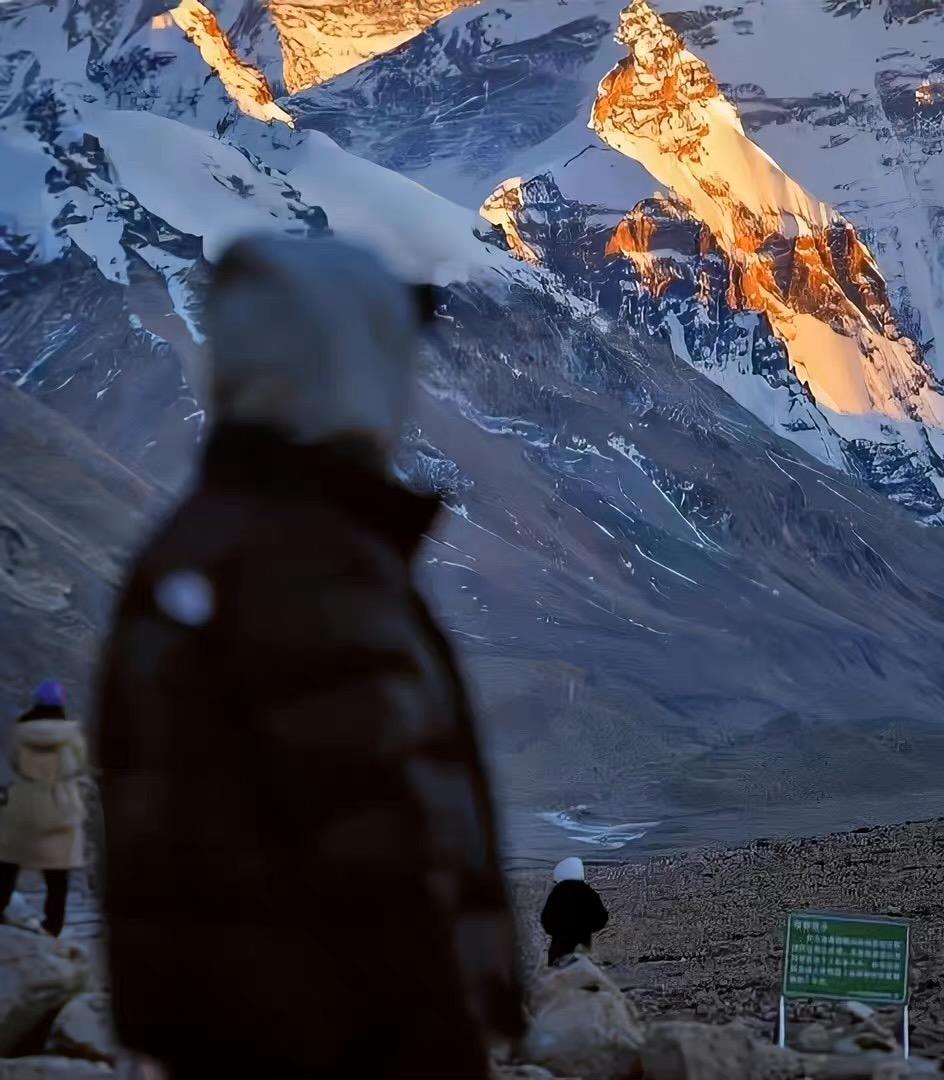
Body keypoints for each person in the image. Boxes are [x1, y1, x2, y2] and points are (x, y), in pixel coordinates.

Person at [95, 235, 522, 1080]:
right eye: (388, 348)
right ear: (342, 363)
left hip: (236, 1033)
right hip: (338, 1041)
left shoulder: (212, 540)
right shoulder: (306, 565)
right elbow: (375, 853)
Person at [0, 680, 89, 937]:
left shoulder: (20, 730)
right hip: (59, 804)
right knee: (57, 871)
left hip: (24, 802)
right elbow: (77, 765)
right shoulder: (72, 735)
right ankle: (53, 924)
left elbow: (14, 761)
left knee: (8, 862)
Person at [541, 856, 609, 966]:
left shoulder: (557, 892)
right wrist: (585, 927)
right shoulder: (588, 892)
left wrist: (558, 930)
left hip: (559, 947)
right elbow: (602, 919)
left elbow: (546, 920)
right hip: (582, 945)